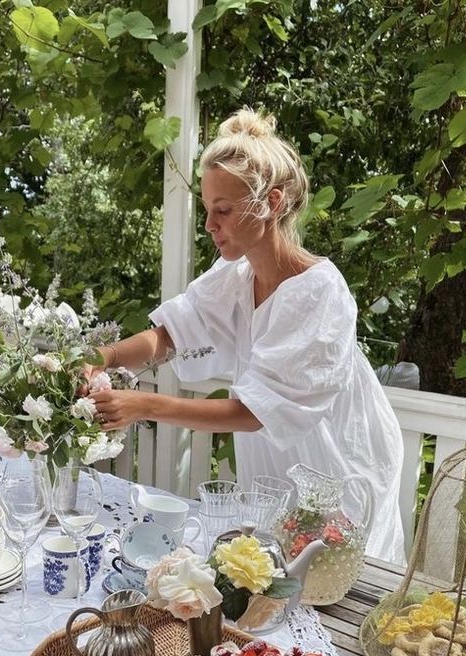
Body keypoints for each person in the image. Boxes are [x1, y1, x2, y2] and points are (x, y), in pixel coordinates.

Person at [84, 108, 406, 564]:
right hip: (276, 458)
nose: (210, 225)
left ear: (272, 203)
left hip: (336, 461)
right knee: (268, 569)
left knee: (326, 574)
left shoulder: (319, 293)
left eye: (224, 211)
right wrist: (105, 356)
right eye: (208, 211)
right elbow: (170, 333)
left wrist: (143, 406)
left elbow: (255, 412)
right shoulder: (236, 275)